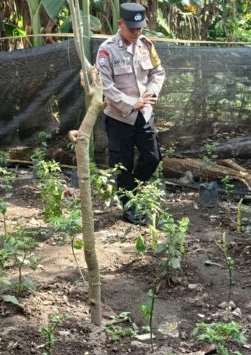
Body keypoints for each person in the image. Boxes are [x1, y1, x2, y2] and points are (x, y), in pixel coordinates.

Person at [96, 2, 165, 225]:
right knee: (122, 164)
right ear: (120, 24)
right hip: (119, 118)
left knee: (153, 158)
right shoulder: (107, 49)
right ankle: (128, 207)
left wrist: (152, 92)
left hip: (144, 114)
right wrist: (130, 103)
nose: (137, 33)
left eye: (140, 28)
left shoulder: (146, 45)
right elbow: (105, 85)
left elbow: (158, 72)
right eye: (132, 28)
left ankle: (132, 190)